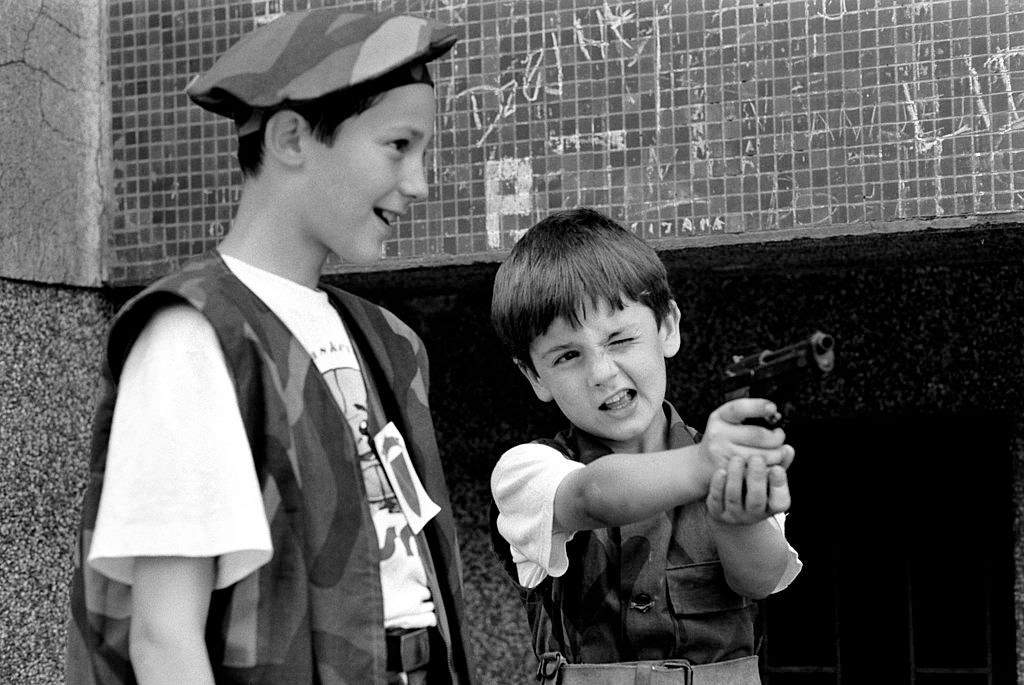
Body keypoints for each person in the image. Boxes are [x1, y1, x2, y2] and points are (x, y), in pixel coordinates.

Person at [65, 9, 475, 685]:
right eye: (398, 146)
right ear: (291, 137)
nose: (418, 183)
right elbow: (164, 639)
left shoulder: (385, 339)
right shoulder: (193, 334)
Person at [489, 207, 802, 684]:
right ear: (535, 376)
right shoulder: (527, 470)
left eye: (620, 339)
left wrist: (736, 517)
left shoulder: (720, 458)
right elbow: (593, 495)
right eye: (568, 355)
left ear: (668, 328)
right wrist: (706, 466)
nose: (601, 373)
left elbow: (760, 580)